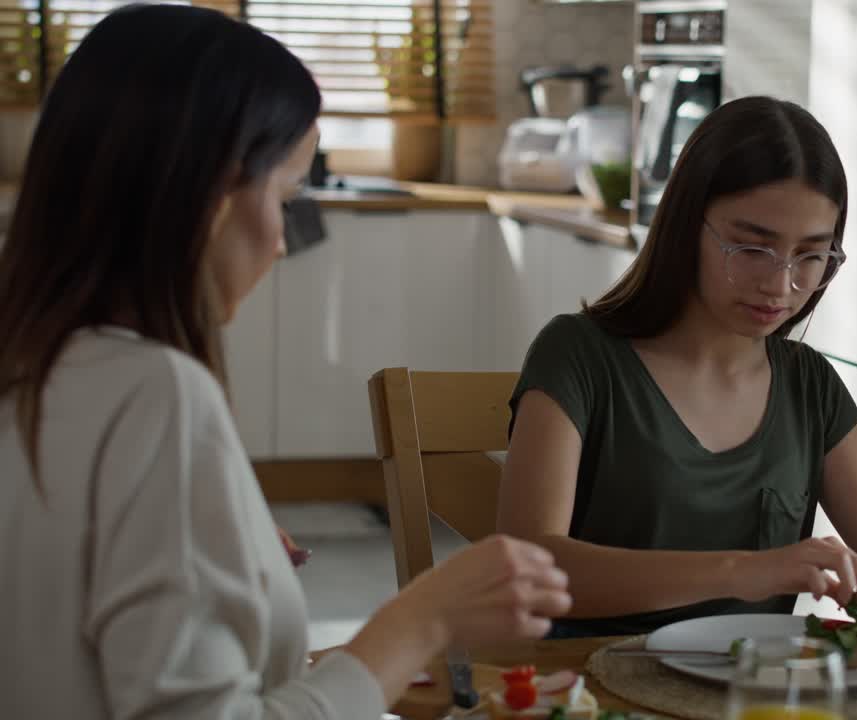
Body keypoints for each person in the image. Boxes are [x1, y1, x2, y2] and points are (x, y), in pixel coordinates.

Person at [0, 6, 570, 718]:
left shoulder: (32, 364)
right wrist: (423, 618)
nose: (279, 240)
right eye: (286, 195)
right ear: (212, 194)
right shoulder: (156, 396)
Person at [497, 95, 857, 641]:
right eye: (752, 248)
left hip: (756, 695)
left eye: (811, 255)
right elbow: (529, 564)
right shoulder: (577, 356)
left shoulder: (810, 387)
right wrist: (745, 570)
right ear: (688, 224)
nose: (781, 285)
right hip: (585, 686)